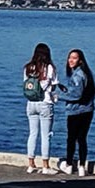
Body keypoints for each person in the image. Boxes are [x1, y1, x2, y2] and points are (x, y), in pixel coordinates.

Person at [58, 48, 95, 175]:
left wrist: (58, 96)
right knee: (82, 139)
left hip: (76, 111)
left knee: (71, 138)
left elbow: (76, 95)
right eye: (70, 57)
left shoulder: (77, 76)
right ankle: (82, 166)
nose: (70, 60)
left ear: (80, 61)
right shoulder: (86, 74)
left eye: (74, 58)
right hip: (88, 110)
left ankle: (69, 164)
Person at [22, 42, 59, 174]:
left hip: (31, 103)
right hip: (45, 103)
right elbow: (53, 86)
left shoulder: (28, 67)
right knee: (45, 136)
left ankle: (31, 164)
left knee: (32, 134)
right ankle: (45, 166)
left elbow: (26, 84)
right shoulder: (49, 68)